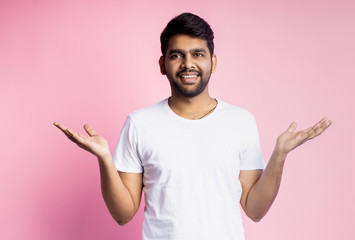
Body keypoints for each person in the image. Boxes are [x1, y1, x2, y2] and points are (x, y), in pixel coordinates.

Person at [54, 13, 332, 240]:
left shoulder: (241, 121)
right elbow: (123, 214)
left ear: (212, 61)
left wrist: (279, 155)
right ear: (163, 64)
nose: (188, 64)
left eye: (198, 54)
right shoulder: (140, 123)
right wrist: (104, 158)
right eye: (177, 55)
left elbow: (255, 209)